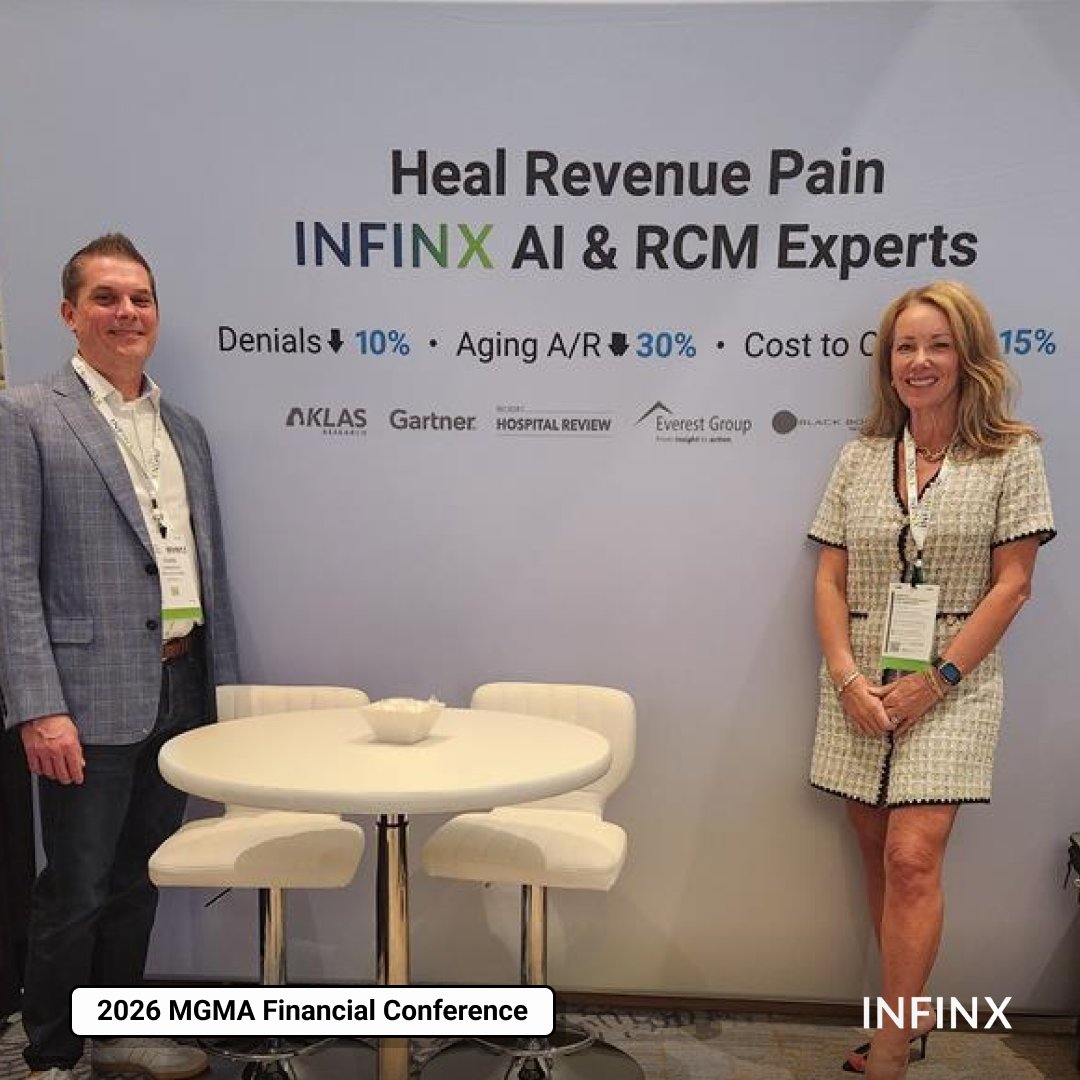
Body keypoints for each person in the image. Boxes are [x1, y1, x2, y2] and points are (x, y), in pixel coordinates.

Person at [0, 233, 239, 1080]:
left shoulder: (185, 430)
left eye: (141, 298)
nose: (127, 312)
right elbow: (10, 571)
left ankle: (117, 1031)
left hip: (179, 680)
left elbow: (206, 565)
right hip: (83, 697)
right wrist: (38, 704)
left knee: (139, 877)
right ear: (70, 314)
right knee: (75, 886)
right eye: (106, 297)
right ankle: (52, 1055)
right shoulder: (27, 416)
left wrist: (220, 692)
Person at [807, 281, 1054, 1080]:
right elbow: (830, 579)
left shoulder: (1013, 454)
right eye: (905, 347)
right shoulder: (859, 458)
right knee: (876, 849)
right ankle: (907, 1015)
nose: (920, 361)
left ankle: (889, 1047)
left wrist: (937, 679)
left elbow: (1013, 585)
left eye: (938, 345)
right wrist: (848, 678)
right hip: (859, 681)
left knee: (913, 857)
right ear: (888, 363)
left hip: (955, 681)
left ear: (968, 356)